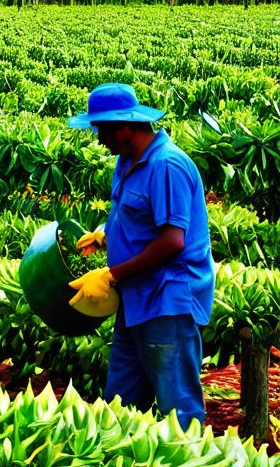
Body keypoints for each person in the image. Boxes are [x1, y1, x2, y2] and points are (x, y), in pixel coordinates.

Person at [67, 83, 214, 430]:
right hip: (135, 301)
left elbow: (172, 242)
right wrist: (105, 235)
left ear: (126, 125)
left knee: (177, 410)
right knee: (119, 405)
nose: (98, 138)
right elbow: (137, 217)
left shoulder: (167, 166)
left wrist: (111, 274)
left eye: (102, 129)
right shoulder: (127, 160)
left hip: (168, 302)